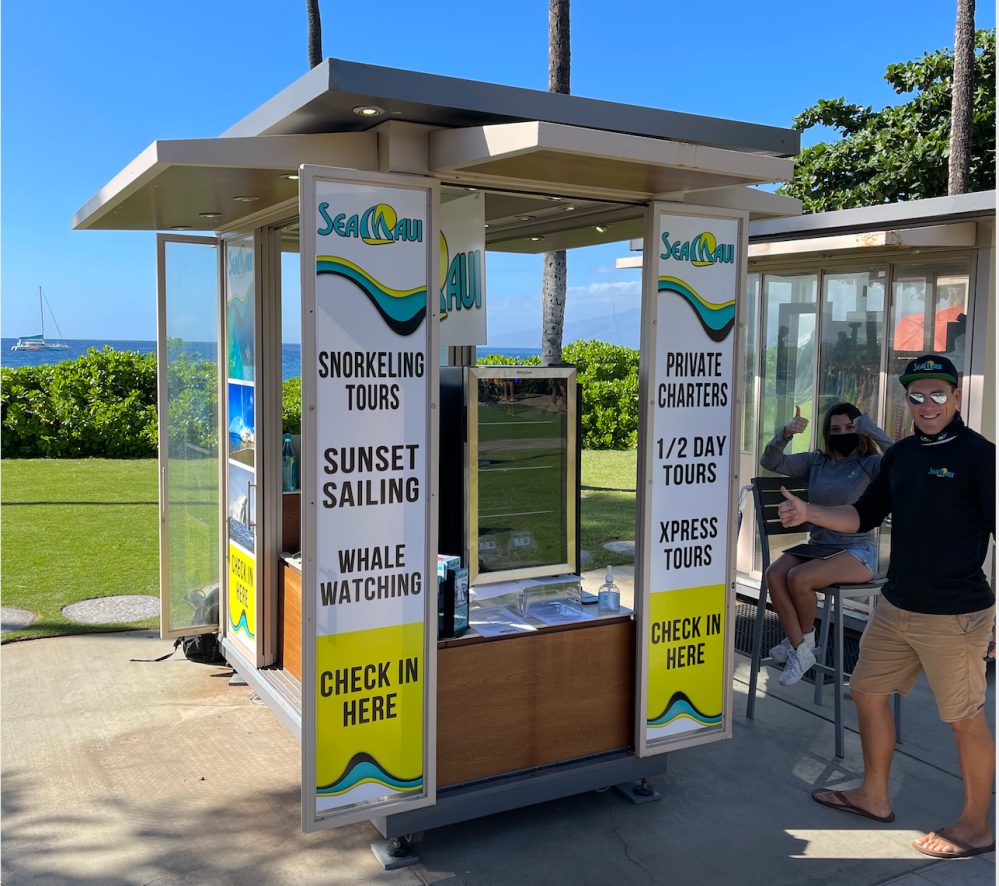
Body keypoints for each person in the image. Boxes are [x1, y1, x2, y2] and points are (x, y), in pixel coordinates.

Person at [778, 355, 995, 860]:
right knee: (868, 692)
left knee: (964, 719)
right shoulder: (901, 457)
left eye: (938, 394)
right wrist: (810, 511)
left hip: (954, 614)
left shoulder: (981, 457)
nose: (926, 405)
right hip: (896, 605)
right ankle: (873, 798)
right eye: (916, 396)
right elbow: (862, 514)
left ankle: (977, 827)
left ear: (957, 397)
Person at [761, 402, 894, 686]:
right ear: (827, 433)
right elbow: (770, 461)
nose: (843, 434)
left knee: (799, 577)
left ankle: (800, 646)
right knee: (774, 573)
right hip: (818, 546)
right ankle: (802, 648)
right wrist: (786, 432)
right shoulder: (815, 463)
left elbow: (902, 459)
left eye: (850, 428)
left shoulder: (871, 464)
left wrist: (870, 428)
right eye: (836, 429)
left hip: (857, 552)